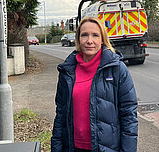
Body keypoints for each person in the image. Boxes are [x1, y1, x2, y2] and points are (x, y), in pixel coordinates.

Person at [51, 17, 138, 152]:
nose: (89, 41)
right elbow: (60, 115)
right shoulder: (67, 71)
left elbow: (129, 116)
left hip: (106, 148)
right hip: (73, 148)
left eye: (95, 35)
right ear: (78, 39)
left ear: (102, 39)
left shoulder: (117, 69)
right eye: (84, 35)